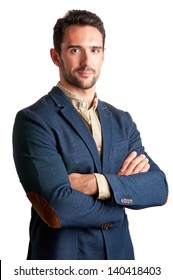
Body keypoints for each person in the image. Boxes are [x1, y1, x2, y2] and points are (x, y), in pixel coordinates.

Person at [12, 9, 168, 260]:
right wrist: (122, 202)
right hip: (62, 263)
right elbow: (58, 208)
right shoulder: (34, 120)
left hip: (120, 262)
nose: (87, 61)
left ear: (103, 55)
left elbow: (159, 188)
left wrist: (97, 183)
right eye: (75, 50)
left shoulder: (121, 121)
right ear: (56, 56)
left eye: (95, 50)